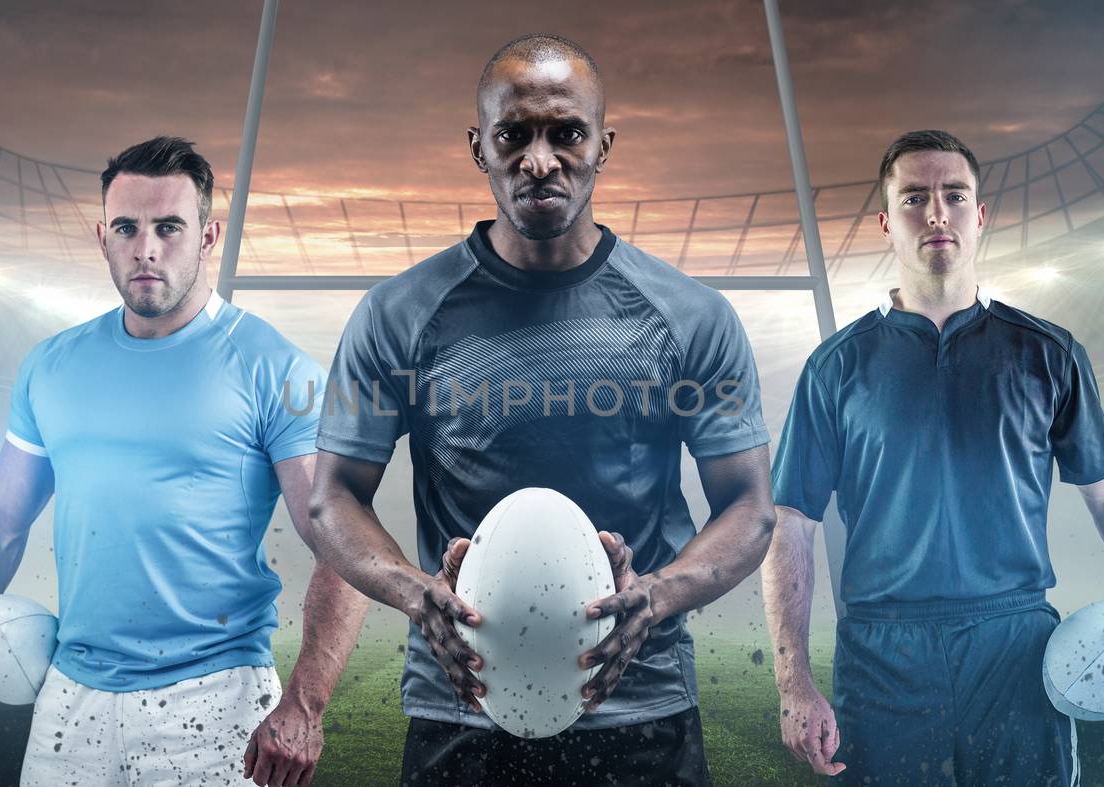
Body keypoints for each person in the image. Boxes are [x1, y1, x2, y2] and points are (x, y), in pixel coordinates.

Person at [306, 34, 775, 786]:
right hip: (462, 705)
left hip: (641, 707)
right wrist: (414, 591)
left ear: (603, 143)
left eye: (566, 134)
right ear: (478, 146)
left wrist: (655, 595)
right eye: (513, 135)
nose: (539, 160)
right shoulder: (397, 315)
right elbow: (332, 498)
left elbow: (750, 507)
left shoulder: (692, 317)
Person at [0, 136, 369, 787]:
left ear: (208, 236)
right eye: (126, 227)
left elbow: (344, 546)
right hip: (71, 701)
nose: (145, 248)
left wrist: (305, 704)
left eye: (168, 227)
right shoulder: (51, 365)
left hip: (215, 706)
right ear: (102, 236)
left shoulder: (274, 367)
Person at [761, 129, 1104, 785]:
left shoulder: (1047, 352)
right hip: (882, 653)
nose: (936, 212)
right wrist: (792, 677)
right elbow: (791, 518)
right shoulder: (837, 366)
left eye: (953, 195)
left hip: (1015, 647)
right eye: (915, 198)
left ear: (979, 214)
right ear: (887, 221)